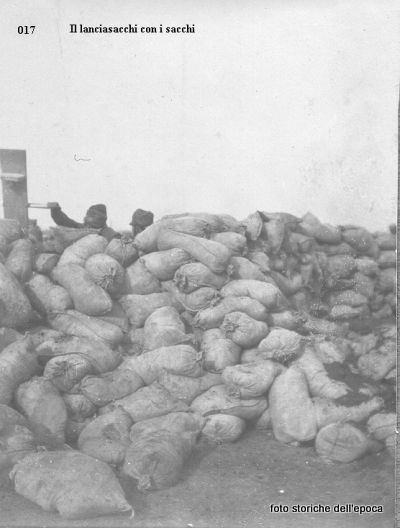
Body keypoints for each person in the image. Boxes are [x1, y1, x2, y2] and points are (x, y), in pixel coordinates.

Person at [50, 203, 121, 242]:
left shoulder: (109, 233)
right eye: (88, 214)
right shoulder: (83, 229)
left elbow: (119, 244)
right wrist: (56, 211)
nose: (88, 217)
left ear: (102, 219)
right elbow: (66, 222)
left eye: (93, 215)